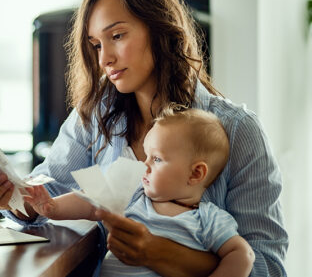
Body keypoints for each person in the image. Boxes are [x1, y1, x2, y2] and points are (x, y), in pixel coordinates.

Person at [0, 0, 287, 276]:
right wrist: (13, 196)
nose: (104, 59)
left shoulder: (238, 130)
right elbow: (47, 192)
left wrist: (158, 253)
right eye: (96, 45)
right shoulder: (96, 115)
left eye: (117, 35)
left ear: (160, 29)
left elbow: (267, 267)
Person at [24, 108, 254, 276]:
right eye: (146, 156)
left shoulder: (209, 219)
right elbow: (91, 201)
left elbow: (243, 255)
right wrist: (52, 207)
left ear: (195, 174)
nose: (144, 165)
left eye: (156, 159)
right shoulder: (134, 195)